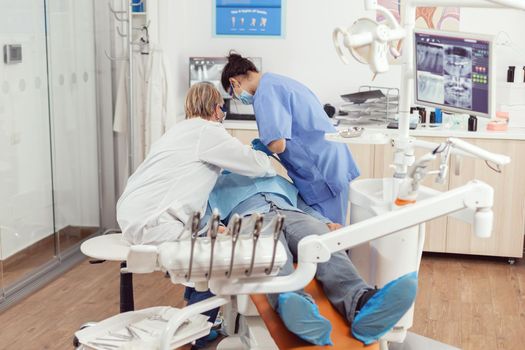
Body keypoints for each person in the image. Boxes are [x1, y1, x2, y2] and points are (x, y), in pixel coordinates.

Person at [186, 172, 418, 347]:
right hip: (252, 220)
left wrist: (325, 221)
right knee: (272, 255)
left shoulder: (275, 177)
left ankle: (362, 303)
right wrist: (217, 229)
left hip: (296, 216)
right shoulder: (215, 185)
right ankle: (296, 308)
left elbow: (302, 204)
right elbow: (206, 217)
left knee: (323, 244)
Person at [116, 82, 276, 245]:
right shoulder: (209, 131)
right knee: (219, 246)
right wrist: (265, 151)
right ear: (215, 109)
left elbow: (191, 169)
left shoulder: (176, 130)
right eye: (222, 109)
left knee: (207, 231)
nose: (223, 115)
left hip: (129, 213)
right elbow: (259, 165)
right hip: (152, 224)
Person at [221, 53, 360, 225]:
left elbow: (277, 144)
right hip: (330, 161)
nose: (238, 99)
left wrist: (258, 151)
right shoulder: (278, 82)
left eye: (234, 95)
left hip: (320, 172)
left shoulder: (265, 93)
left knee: (326, 235)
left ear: (234, 83)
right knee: (331, 230)